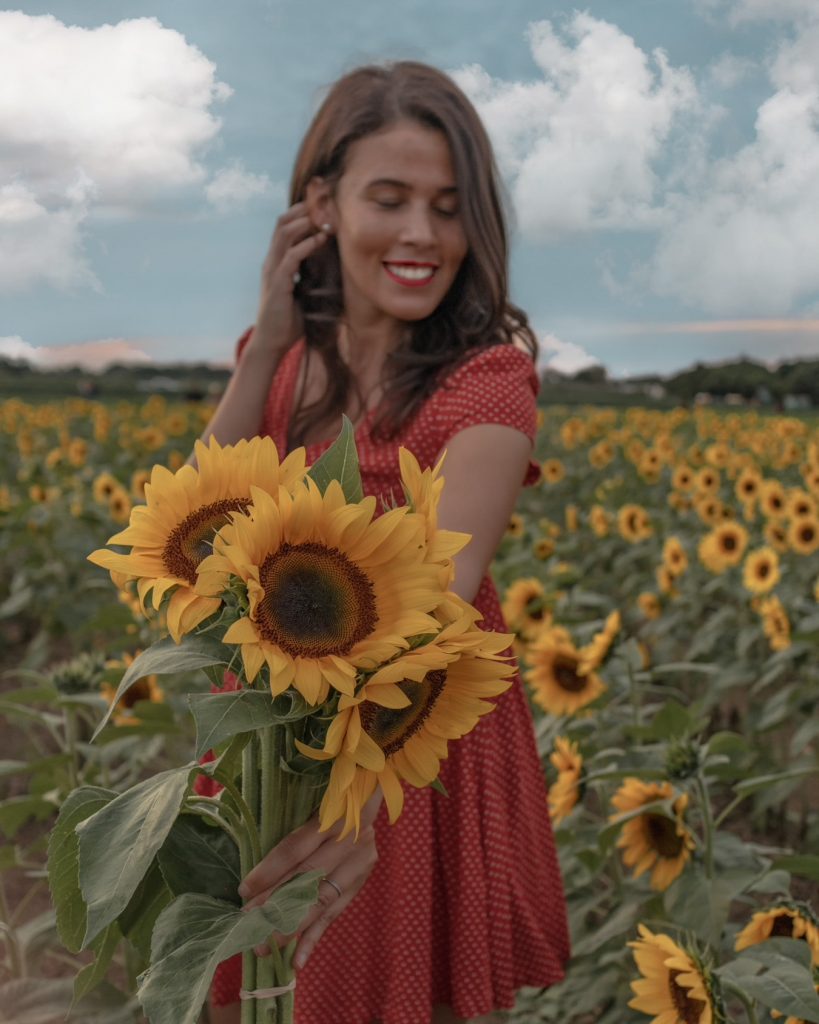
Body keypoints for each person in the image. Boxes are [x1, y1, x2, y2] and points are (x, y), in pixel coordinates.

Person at [199, 60, 570, 1024]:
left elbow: (441, 597)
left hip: (407, 737)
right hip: (271, 724)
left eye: (449, 208)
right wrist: (272, 340)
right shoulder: (279, 357)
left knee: (380, 988)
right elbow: (201, 523)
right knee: (268, 988)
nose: (422, 236)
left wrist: (354, 793)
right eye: (390, 199)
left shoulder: (486, 380)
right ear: (320, 201)